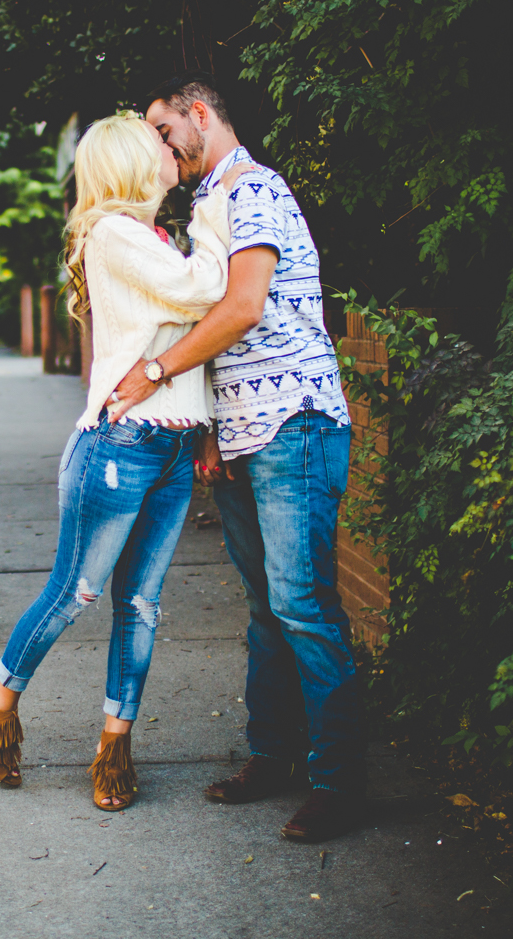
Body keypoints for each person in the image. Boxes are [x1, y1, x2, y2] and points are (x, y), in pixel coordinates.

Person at [106, 74, 364, 843]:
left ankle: (340, 783)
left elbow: (244, 307)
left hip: (296, 425)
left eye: (161, 129)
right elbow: (227, 331)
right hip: (248, 435)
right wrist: (214, 431)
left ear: (199, 115)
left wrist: (153, 371)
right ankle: (274, 758)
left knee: (304, 607)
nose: (157, 146)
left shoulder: (255, 190)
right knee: (266, 611)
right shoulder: (209, 206)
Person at [0, 114, 230, 811]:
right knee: (74, 595)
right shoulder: (113, 233)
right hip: (117, 446)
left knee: (141, 606)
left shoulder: (151, 238)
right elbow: (206, 291)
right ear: (134, 165)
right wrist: (221, 209)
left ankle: (114, 746)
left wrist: (200, 429)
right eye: (157, 147)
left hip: (168, 445)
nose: (171, 152)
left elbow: (189, 341)